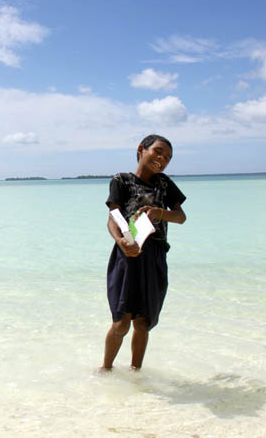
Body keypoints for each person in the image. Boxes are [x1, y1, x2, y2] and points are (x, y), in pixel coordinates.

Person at [102, 134, 187, 371]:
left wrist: (159, 213)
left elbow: (180, 217)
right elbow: (113, 217)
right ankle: (106, 369)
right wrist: (120, 241)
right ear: (141, 149)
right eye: (158, 151)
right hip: (127, 253)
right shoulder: (122, 180)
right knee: (121, 323)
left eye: (168, 157)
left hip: (155, 255)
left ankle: (135, 374)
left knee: (143, 323)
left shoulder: (164, 184)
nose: (162, 159)